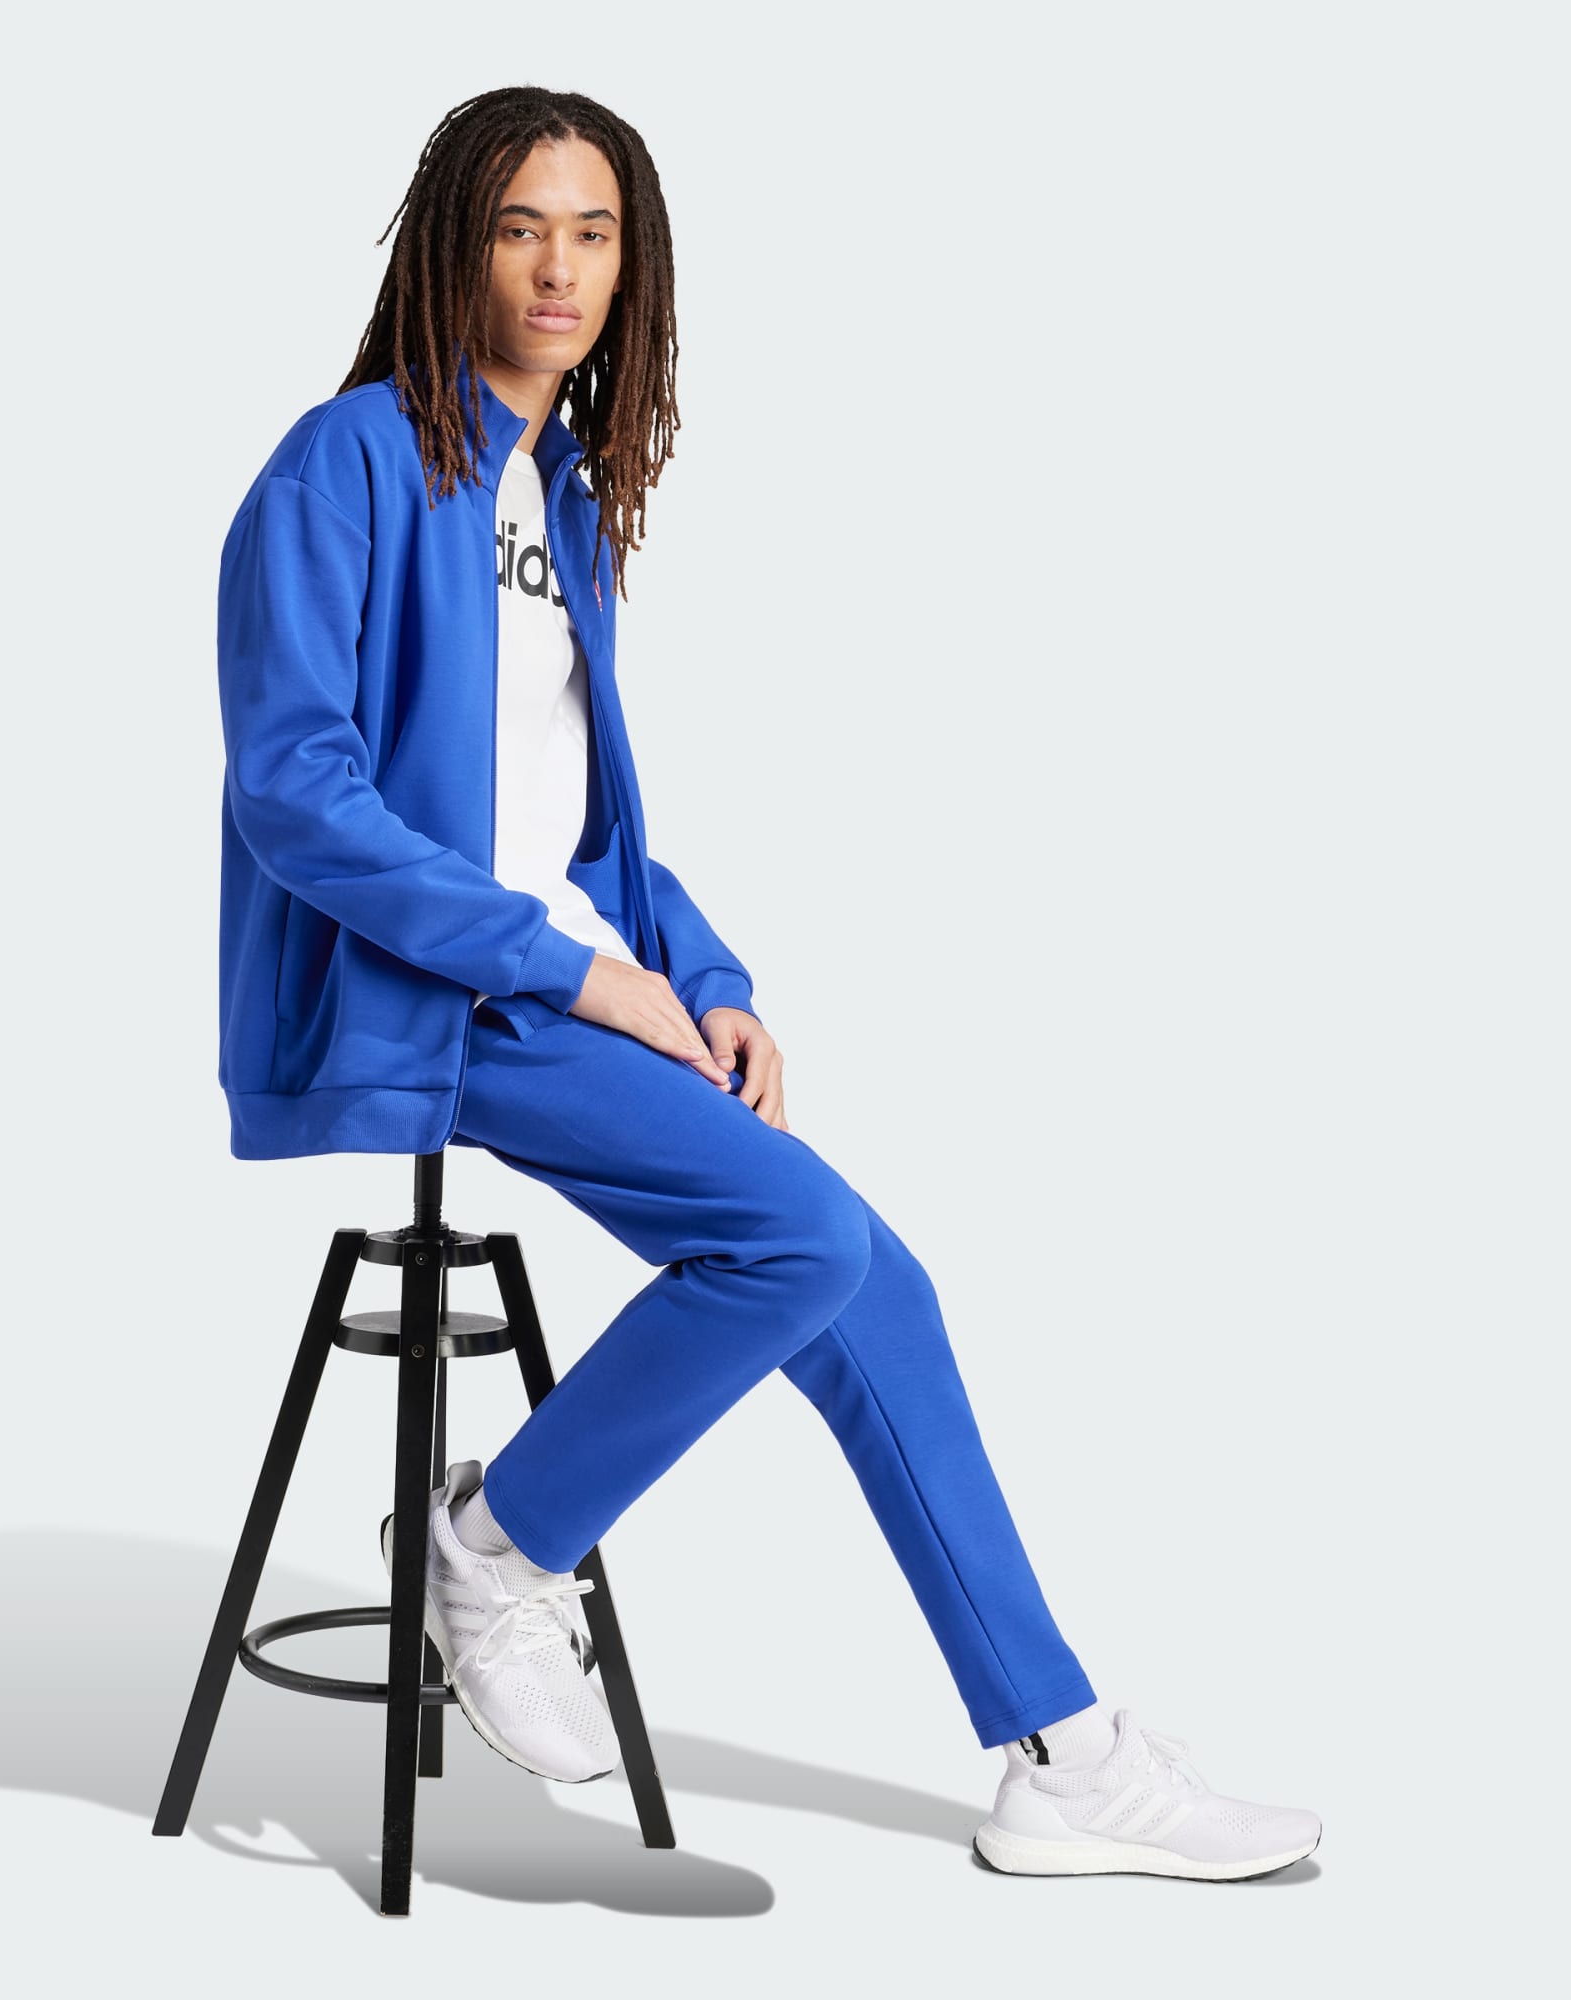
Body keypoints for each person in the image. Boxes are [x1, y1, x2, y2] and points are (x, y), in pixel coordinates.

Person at [215, 85, 1321, 1883]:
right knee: (797, 1238)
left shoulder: (563, 500)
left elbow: (574, 827)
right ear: (452, 251)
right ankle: (494, 1549)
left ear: (631, 266)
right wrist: (577, 979)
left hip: (546, 979)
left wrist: (703, 977)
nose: (558, 267)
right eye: (519, 227)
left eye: (593, 233)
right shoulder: (339, 464)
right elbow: (296, 793)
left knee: (876, 1280)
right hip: (413, 1000)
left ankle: (1062, 1752)